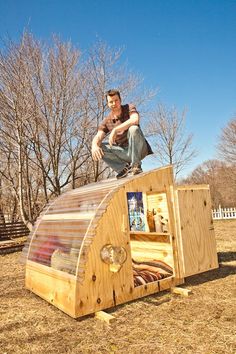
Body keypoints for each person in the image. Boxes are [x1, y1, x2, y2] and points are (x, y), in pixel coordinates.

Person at [91, 89, 153, 179]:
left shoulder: (129, 108)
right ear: (108, 104)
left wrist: (115, 130)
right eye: (111, 102)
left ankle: (136, 166)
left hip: (139, 150)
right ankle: (123, 169)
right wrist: (94, 146)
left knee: (133, 128)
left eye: (116, 100)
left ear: (120, 100)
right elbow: (98, 135)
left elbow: (135, 120)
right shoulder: (107, 120)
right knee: (99, 146)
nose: (114, 103)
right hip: (124, 153)